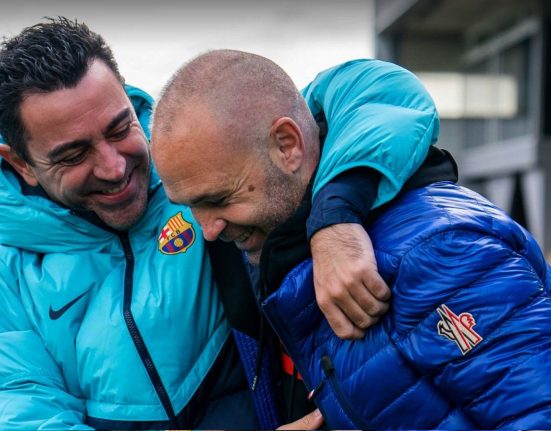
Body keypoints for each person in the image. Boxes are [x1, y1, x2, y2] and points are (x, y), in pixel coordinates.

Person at [0, 18, 439, 430]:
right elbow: (22, 409)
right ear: (20, 164)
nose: (114, 168)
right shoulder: (9, 266)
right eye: (73, 155)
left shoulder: (203, 153)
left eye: (120, 129)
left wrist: (336, 218)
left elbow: (382, 92)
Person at [151, 49, 551, 429]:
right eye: (189, 207)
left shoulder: (439, 253)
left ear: (287, 146)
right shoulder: (285, 244)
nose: (207, 230)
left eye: (219, 199)